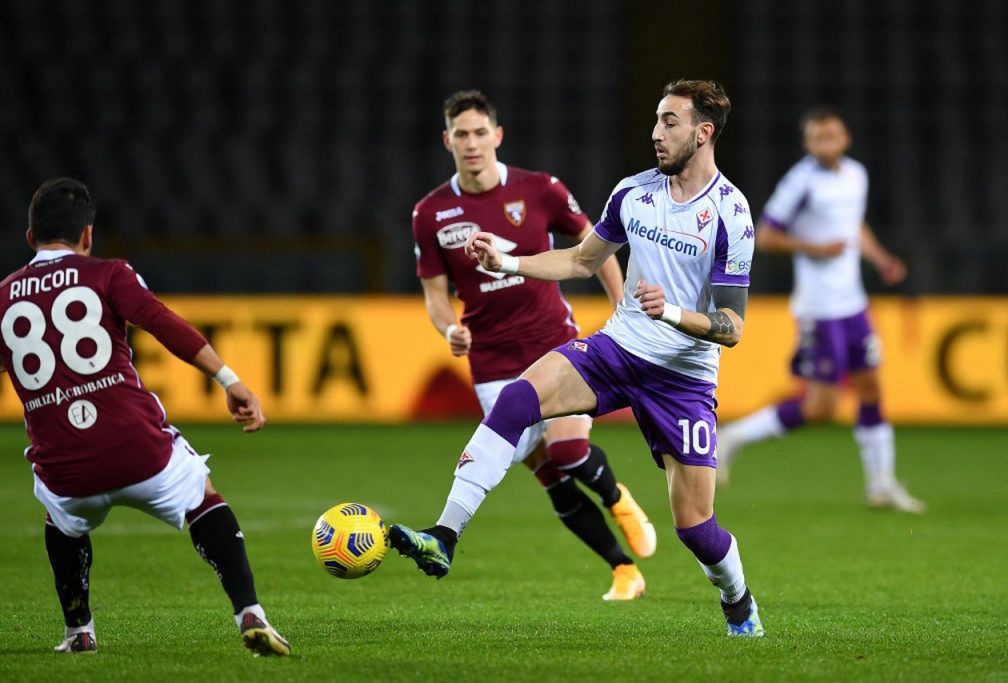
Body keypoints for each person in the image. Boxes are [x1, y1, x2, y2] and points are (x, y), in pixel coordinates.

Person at [392, 80, 763, 636]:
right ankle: (443, 536)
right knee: (518, 400)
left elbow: (732, 327)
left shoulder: (731, 214)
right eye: (656, 120)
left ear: (703, 132)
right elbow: (581, 260)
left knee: (695, 528)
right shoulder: (633, 193)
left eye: (669, 122)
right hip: (617, 348)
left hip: (682, 378)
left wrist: (674, 314)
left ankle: (737, 599)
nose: (655, 133)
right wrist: (507, 260)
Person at [0, 178, 291, 656]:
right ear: (87, 235)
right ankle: (249, 611)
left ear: (29, 239)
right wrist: (228, 379)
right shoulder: (109, 273)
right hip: (138, 450)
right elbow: (161, 322)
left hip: (66, 468)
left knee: (60, 517)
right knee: (203, 495)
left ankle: (79, 631)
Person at [409, 90, 656, 601]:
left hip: (553, 342)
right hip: (492, 361)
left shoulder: (540, 190)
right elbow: (435, 295)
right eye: (462, 134)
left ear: (497, 136)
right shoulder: (430, 213)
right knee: (551, 478)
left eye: (481, 133)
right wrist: (446, 329)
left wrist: (622, 307)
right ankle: (623, 570)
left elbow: (598, 248)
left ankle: (617, 496)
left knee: (567, 451)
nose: (472, 143)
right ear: (447, 140)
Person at [715, 108, 925, 513]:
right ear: (808, 143)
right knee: (821, 407)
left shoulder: (856, 175)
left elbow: (853, 225)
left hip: (853, 304)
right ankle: (733, 437)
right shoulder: (801, 182)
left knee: (870, 387)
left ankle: (881, 485)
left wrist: (880, 259)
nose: (826, 144)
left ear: (845, 139)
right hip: (819, 308)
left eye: (832, 136)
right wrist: (815, 248)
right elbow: (768, 235)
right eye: (817, 138)